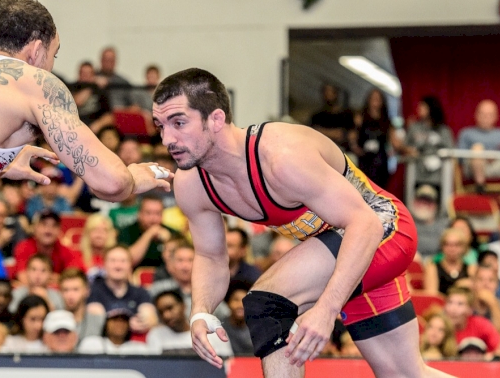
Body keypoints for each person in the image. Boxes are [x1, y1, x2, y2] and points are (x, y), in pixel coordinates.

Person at [154, 68, 451, 377]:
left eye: (179, 123)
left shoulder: (281, 156)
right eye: (160, 125)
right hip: (348, 255)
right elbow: (210, 255)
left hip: (381, 230)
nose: (167, 139)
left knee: (268, 304)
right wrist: (200, 311)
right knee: (406, 375)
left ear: (215, 119)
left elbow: (365, 224)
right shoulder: (192, 185)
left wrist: (326, 309)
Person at [0, 0, 171, 363]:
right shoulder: (31, 82)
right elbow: (109, 182)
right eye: (54, 54)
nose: (51, 65)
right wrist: (138, 174)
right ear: (35, 50)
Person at [147, 289, 233, 356]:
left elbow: (228, 364)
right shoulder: (156, 335)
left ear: (183, 306)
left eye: (170, 308)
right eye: (161, 312)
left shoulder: (212, 332)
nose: (166, 315)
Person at [13, 211, 87, 283]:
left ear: (59, 230)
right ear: (35, 228)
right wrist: (57, 278)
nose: (48, 230)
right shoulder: (24, 247)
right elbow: (23, 278)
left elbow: (74, 280)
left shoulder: (65, 251)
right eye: (44, 225)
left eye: (54, 226)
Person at [399, 95, 454, 188]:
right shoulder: (414, 128)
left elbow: (451, 151)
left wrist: (439, 157)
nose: (419, 109)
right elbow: (403, 147)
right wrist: (409, 150)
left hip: (438, 176)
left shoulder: (443, 130)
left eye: (422, 107)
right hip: (416, 174)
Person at [78, 308, 153, 355]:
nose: (119, 324)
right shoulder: (91, 343)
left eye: (123, 321)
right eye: (115, 320)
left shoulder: (140, 349)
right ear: (106, 323)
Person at [424, 228, 475, 295]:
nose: (452, 249)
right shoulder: (432, 268)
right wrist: (457, 286)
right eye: (447, 244)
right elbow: (431, 296)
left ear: (464, 247)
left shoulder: (471, 269)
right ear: (442, 246)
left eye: (456, 245)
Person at [59, 268, 105, 341]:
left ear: (87, 291)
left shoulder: (96, 318)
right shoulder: (56, 320)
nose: (70, 295)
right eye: (66, 290)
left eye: (75, 289)